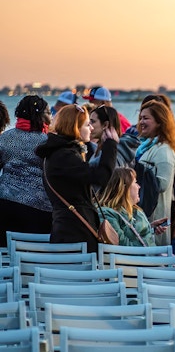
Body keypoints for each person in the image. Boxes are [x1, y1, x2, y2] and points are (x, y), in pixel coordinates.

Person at [35, 104, 120, 254]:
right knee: (80, 275)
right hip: (75, 233)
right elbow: (101, 176)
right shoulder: (64, 156)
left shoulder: (58, 153)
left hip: (69, 229)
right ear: (75, 127)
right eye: (87, 124)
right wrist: (110, 145)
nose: (92, 128)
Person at [0, 95, 53, 246]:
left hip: (5, 203)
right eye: (48, 113)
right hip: (39, 208)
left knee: (6, 251)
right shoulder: (48, 142)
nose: (51, 117)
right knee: (33, 251)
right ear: (39, 116)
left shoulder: (5, 138)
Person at [135, 100, 175, 245]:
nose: (141, 122)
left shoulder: (164, 151)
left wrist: (139, 176)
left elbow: (162, 184)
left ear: (160, 122)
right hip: (142, 215)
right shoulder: (146, 147)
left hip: (155, 218)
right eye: (140, 118)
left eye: (146, 118)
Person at [98, 167, 169, 247]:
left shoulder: (134, 210)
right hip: (140, 258)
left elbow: (133, 234)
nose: (139, 187)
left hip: (147, 256)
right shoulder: (107, 214)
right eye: (135, 182)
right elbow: (124, 247)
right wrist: (148, 240)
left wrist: (151, 228)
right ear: (124, 188)